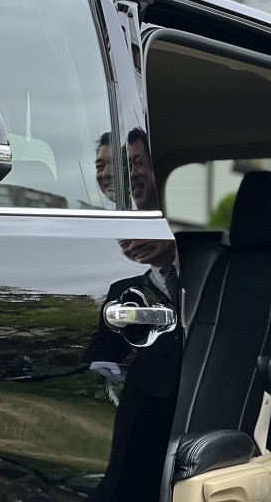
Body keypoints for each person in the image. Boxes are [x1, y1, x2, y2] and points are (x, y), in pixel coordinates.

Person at [83, 127, 182, 502]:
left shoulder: (192, 249)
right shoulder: (110, 266)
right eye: (101, 165)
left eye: (135, 163)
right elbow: (102, 350)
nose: (113, 174)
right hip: (138, 402)